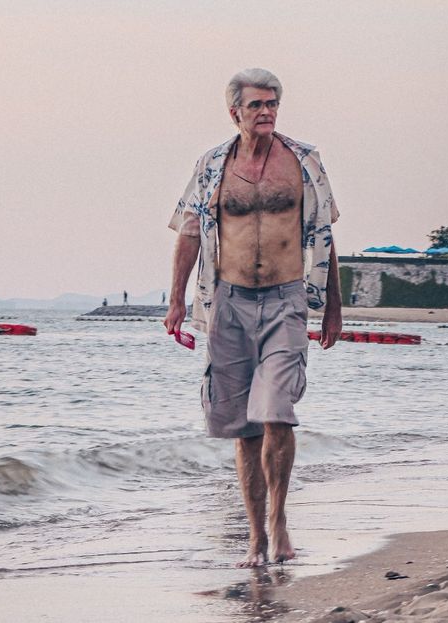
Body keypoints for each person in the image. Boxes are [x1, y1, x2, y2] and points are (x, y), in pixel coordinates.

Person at [164, 68, 342, 568]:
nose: (266, 112)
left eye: (273, 104)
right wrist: (177, 302)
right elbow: (189, 233)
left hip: (286, 299)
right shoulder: (212, 165)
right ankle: (255, 537)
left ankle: (280, 522)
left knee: (277, 413)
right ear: (234, 112)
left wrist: (333, 307)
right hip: (228, 302)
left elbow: (326, 236)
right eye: (257, 105)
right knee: (244, 427)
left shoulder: (304, 162)